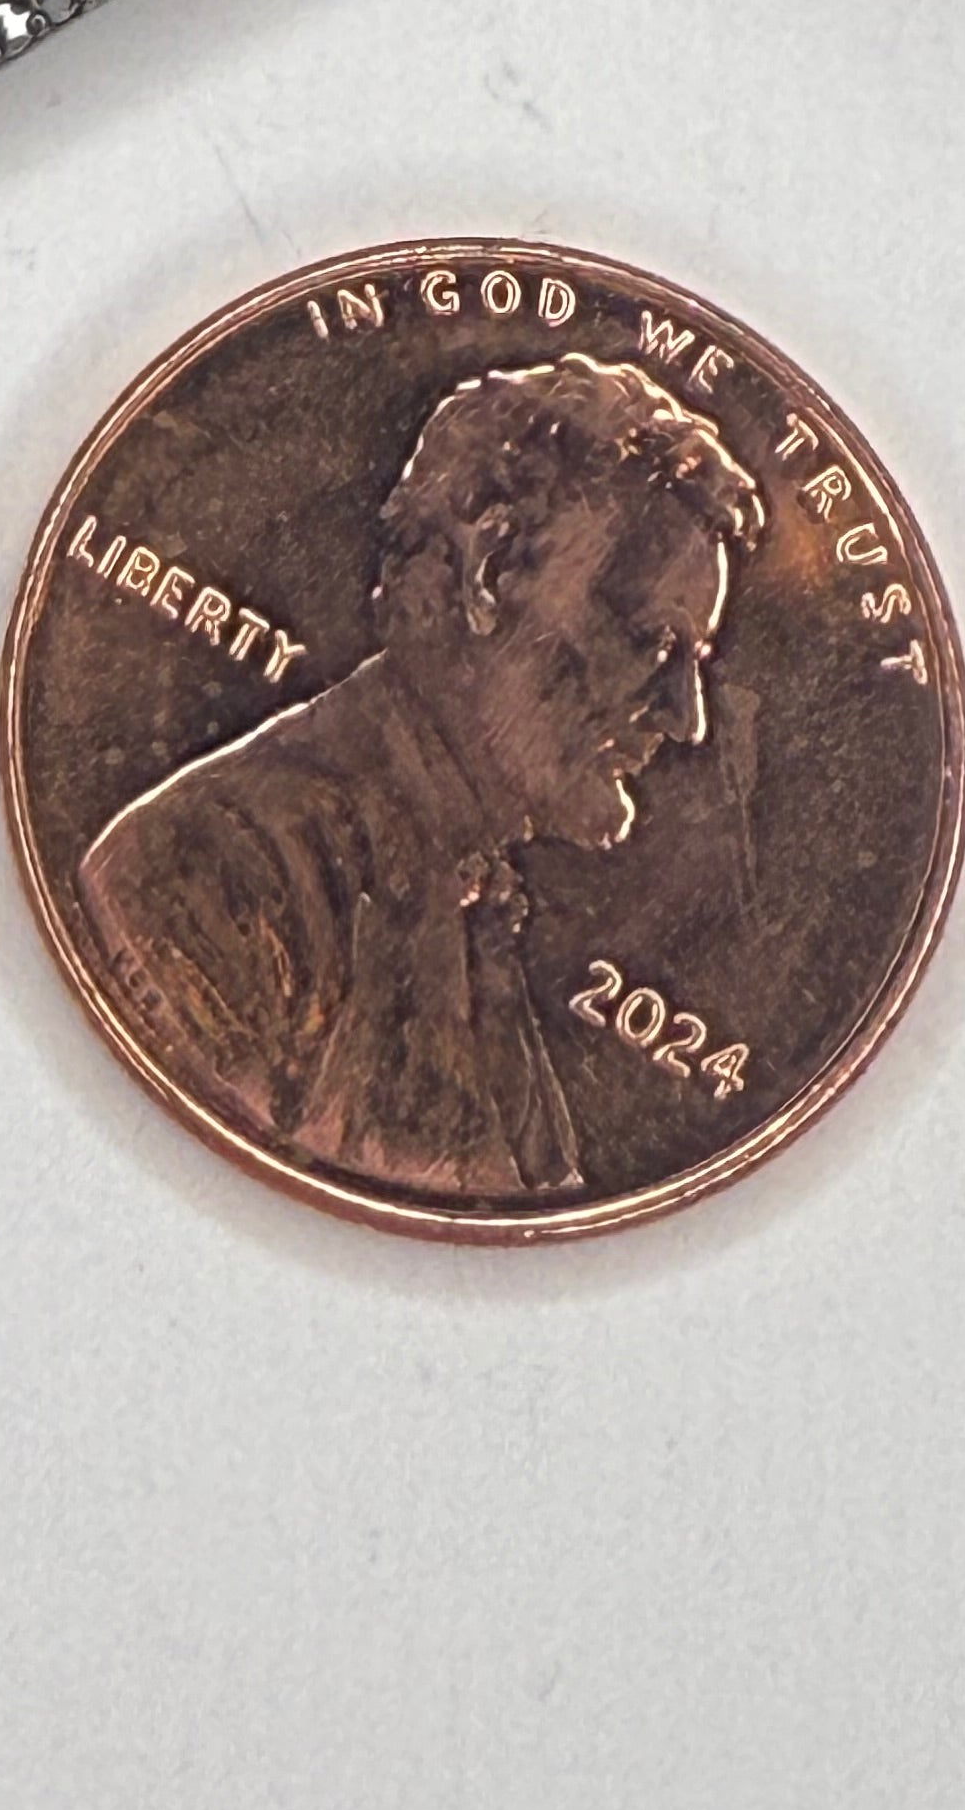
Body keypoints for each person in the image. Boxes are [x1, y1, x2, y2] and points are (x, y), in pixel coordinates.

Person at [77, 353, 764, 1207]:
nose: (685, 718)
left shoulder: (478, 909)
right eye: (649, 643)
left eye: (691, 664)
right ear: (485, 575)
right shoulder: (203, 866)